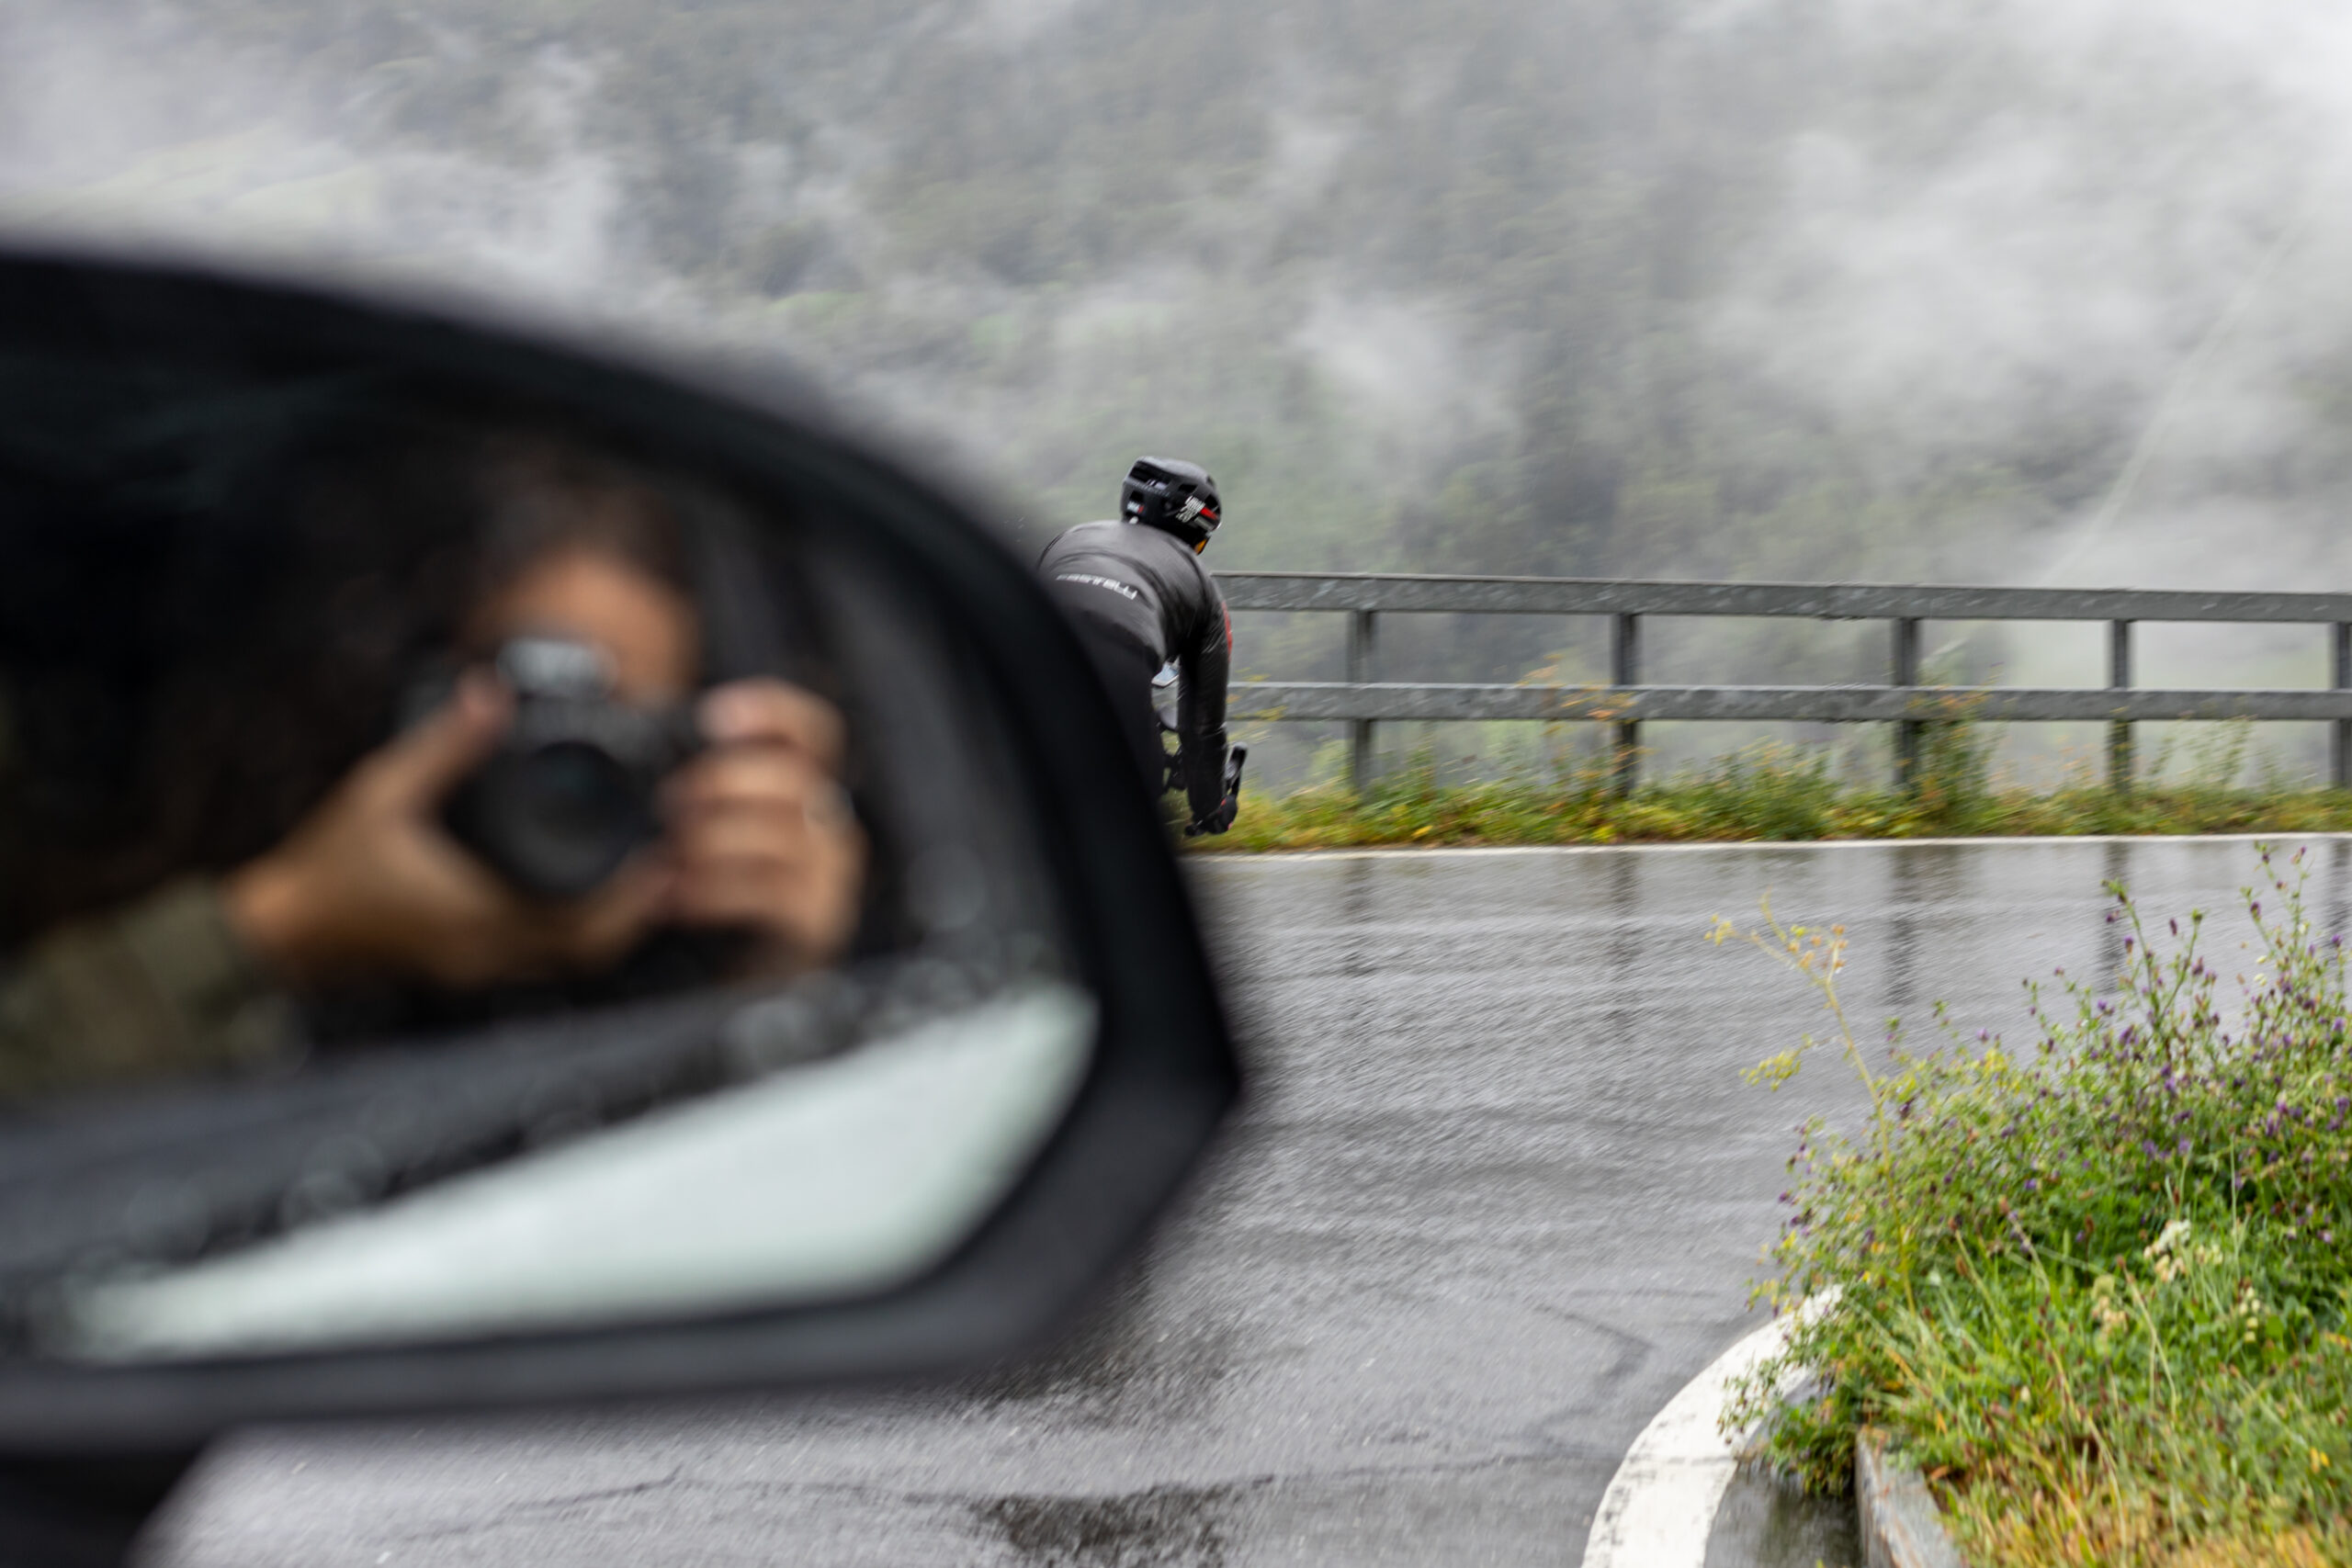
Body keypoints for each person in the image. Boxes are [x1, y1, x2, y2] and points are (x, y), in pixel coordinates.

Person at [0, 433, 866, 1099]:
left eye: (622, 733)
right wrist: (291, 922)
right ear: (377, 705)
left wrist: (772, 981)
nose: (562, 775)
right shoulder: (120, 894)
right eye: (516, 708)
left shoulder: (673, 969)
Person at [1036, 457, 1236, 835]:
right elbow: (1201, 725)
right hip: (1121, 657)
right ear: (1196, 528)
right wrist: (1211, 807)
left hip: (1031, 646)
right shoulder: (1204, 589)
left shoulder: (1072, 536)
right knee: (1128, 824)